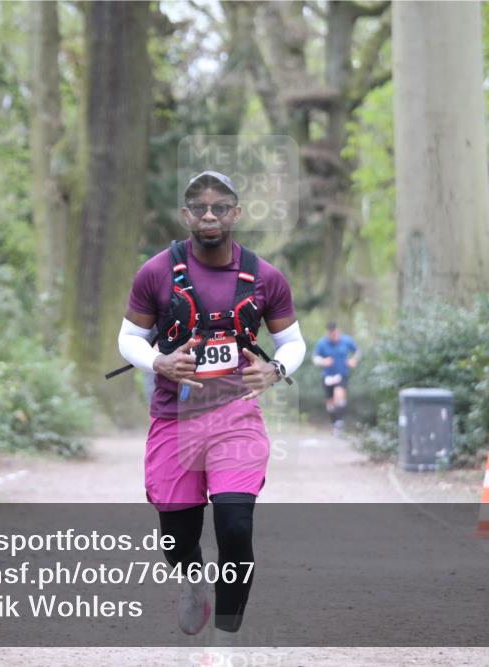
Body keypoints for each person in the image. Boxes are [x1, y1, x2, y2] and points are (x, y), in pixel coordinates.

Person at [116, 171, 306, 640]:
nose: (209, 215)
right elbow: (128, 339)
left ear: (235, 213)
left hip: (236, 417)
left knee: (235, 524)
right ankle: (193, 583)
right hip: (173, 419)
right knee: (176, 538)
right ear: (185, 215)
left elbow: (293, 342)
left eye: (219, 207)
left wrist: (276, 370)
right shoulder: (156, 272)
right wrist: (159, 362)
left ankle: (226, 631)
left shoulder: (265, 277)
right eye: (199, 208)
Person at [312, 322, 359, 437]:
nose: (334, 336)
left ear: (339, 331)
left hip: (341, 374)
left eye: (336, 333)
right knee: (330, 404)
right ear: (328, 333)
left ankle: (339, 423)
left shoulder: (347, 340)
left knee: (339, 395)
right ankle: (335, 424)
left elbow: (358, 351)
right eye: (331, 334)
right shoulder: (322, 343)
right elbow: (315, 358)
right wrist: (323, 361)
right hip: (327, 376)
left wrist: (354, 360)